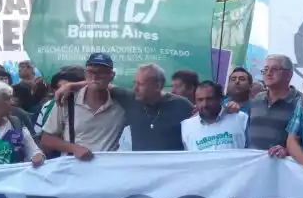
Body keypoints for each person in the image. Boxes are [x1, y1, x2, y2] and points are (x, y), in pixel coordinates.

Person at [58, 62, 192, 151]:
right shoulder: (130, 98)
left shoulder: (182, 105)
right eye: (134, 83)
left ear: (158, 85)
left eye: (141, 84)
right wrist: (71, 86)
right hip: (140, 173)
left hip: (171, 175)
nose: (135, 88)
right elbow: (102, 83)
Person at [39, 53, 125, 160]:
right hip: (74, 167)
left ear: (111, 75)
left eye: (101, 72)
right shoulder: (68, 100)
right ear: (85, 73)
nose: (95, 76)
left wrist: (72, 85)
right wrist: (74, 148)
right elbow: (46, 138)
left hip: (107, 168)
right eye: (91, 71)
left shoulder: (121, 103)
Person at [247, 54, 302, 154]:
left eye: (275, 69)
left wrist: (287, 151)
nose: (268, 73)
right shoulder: (257, 99)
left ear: (288, 75)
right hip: (252, 162)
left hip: (282, 162)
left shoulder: (301, 103)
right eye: (266, 69)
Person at [182, 81, 249, 152]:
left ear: (220, 99)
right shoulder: (187, 126)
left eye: (209, 99)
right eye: (200, 100)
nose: (204, 104)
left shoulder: (241, 119)